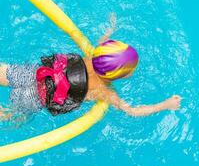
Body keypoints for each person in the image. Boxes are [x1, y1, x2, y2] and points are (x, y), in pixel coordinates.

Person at [0, 14, 181, 122]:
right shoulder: (105, 91)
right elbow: (132, 111)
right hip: (36, 99)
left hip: (37, 75)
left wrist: (111, 28)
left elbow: (102, 43)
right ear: (117, 76)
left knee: (6, 72)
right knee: (14, 116)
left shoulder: (93, 56)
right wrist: (165, 105)